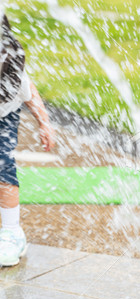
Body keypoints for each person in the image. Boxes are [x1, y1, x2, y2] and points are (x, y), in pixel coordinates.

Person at [0, 13, 55, 266]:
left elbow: (29, 92)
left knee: (2, 167)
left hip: (5, 114)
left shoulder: (10, 69)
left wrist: (44, 123)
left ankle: (12, 233)